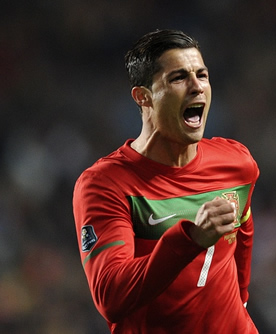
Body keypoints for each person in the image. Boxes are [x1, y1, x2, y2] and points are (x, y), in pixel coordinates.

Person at [73, 29, 260, 333]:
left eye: (202, 75)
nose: (197, 87)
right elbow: (112, 295)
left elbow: (243, 230)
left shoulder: (236, 163)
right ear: (143, 97)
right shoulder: (105, 184)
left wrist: (241, 301)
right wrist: (189, 239)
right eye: (178, 78)